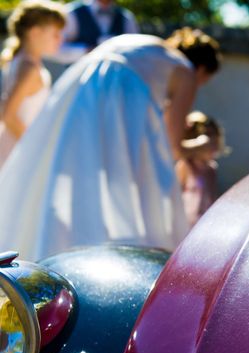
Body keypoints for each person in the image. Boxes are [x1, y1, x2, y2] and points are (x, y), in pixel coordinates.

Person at [0, 27, 222, 260]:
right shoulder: (185, 71)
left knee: (67, 169)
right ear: (203, 69)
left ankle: (45, 246)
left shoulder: (145, 45)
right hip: (120, 92)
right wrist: (204, 145)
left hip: (80, 83)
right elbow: (172, 147)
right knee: (132, 180)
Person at [0, 1, 65, 167]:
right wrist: (34, 148)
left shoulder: (20, 61)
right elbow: (8, 115)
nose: (60, 39)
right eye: (55, 33)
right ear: (35, 32)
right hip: (17, 150)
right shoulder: (29, 68)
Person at [175, 111, 227, 227]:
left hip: (202, 222)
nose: (212, 145)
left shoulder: (211, 169)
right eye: (208, 139)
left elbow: (211, 197)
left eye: (215, 138)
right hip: (185, 223)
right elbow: (175, 193)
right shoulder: (185, 166)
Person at [53, 0, 138, 63]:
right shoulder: (72, 13)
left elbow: (136, 53)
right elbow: (56, 49)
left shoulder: (126, 18)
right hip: (79, 81)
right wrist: (86, 51)